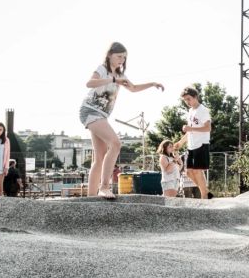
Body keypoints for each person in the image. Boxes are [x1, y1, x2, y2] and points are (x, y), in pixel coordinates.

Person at [80, 43, 164, 199]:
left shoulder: (120, 75)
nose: (121, 60)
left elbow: (133, 88)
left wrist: (152, 84)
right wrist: (112, 79)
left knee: (99, 158)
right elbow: (89, 83)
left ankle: (90, 197)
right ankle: (104, 187)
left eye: (124, 57)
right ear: (110, 54)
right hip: (90, 111)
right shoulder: (102, 69)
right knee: (116, 144)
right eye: (119, 56)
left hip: (101, 116)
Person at [178, 88, 212, 200]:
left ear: (195, 97)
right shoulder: (190, 111)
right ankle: (205, 191)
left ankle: (204, 196)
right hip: (191, 146)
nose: (187, 102)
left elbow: (208, 128)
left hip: (201, 144)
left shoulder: (203, 110)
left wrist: (190, 128)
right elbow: (189, 131)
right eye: (185, 100)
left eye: (189, 99)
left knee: (198, 171)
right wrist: (180, 142)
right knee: (188, 172)